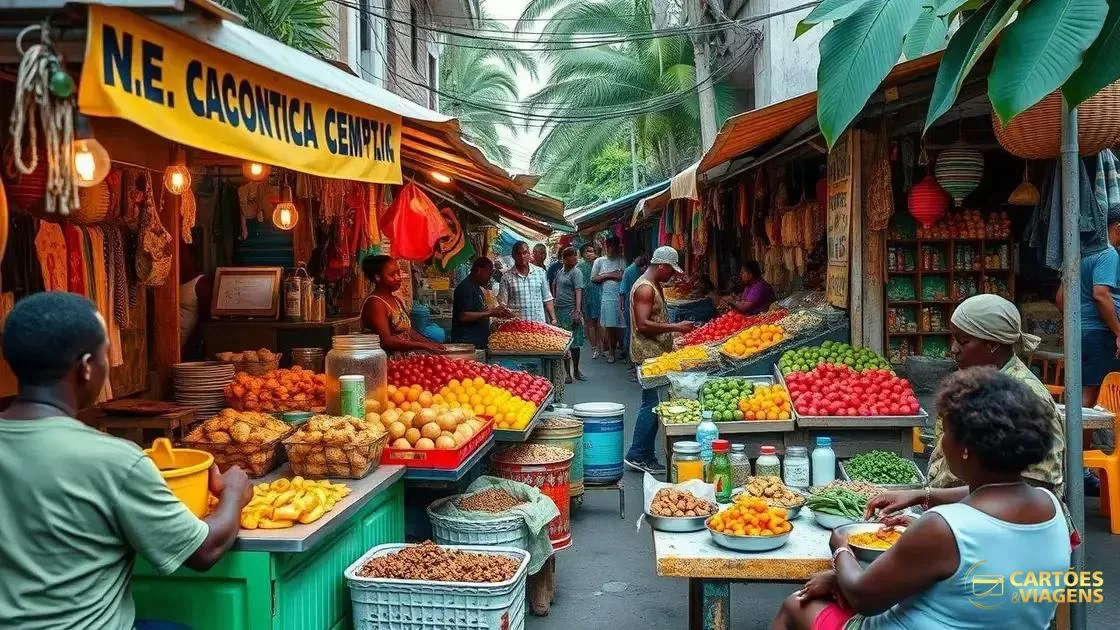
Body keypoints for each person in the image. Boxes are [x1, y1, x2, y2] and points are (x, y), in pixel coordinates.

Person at [0, 292, 252, 630]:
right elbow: (204, 550)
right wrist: (234, 492)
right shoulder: (112, 460)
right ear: (87, 368)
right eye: (107, 354)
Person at [773, 367, 1071, 630]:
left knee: (794, 606)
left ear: (965, 447)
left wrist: (841, 549)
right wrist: (924, 495)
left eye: (946, 431)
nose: (941, 441)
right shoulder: (1050, 505)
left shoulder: (942, 528)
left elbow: (864, 597)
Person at [923, 294, 1066, 496]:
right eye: (953, 339)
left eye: (963, 341)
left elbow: (1036, 484)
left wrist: (930, 498)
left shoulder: (1024, 397)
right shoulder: (977, 384)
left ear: (992, 345)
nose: (954, 349)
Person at [624, 246, 695, 475]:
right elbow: (643, 324)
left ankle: (644, 453)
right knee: (652, 405)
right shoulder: (645, 288)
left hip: (657, 353)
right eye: (671, 270)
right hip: (648, 355)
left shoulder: (654, 285)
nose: (672, 275)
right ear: (661, 266)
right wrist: (676, 327)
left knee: (655, 404)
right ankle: (637, 454)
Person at [1055, 204, 1120, 407]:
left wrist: (1074, 323)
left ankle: (1073, 439)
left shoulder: (1078, 252)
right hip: (1098, 335)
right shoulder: (1108, 254)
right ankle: (1076, 440)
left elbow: (1060, 297)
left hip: (1077, 334)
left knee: (1078, 393)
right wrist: (1119, 332)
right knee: (1089, 400)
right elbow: (1101, 295)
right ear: (1118, 227)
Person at [361, 255, 445, 354]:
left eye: (398, 272)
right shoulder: (375, 303)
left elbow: (409, 331)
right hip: (383, 362)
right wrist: (424, 346)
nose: (398, 277)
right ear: (377, 277)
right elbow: (386, 341)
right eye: (392, 274)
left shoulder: (396, 300)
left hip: (401, 361)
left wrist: (431, 345)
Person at [451, 257, 513, 349]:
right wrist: (490, 312)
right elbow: (464, 316)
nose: (490, 277)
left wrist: (496, 311)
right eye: (489, 274)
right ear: (479, 270)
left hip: (477, 342)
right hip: (467, 344)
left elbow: (479, 311)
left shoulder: (476, 287)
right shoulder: (465, 288)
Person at [498, 241, 556, 325]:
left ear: (529, 254)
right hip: (517, 327)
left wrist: (553, 319)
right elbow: (503, 304)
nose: (522, 257)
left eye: (525, 253)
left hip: (538, 325)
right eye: (518, 254)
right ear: (513, 256)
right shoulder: (506, 277)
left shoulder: (540, 273)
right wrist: (510, 315)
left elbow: (547, 298)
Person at [591, 236, 628, 363]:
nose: (611, 250)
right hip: (607, 298)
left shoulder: (622, 260)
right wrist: (610, 275)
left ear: (618, 248)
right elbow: (594, 278)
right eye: (609, 247)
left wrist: (605, 276)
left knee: (622, 326)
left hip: (622, 297)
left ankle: (622, 349)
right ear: (606, 248)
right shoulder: (599, 261)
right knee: (610, 326)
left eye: (614, 247)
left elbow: (623, 276)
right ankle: (611, 352)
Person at [554, 246, 587, 383]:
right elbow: (555, 286)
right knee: (564, 343)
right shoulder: (560, 272)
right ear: (565, 258)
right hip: (560, 310)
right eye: (571, 256)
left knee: (575, 343)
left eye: (575, 255)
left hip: (571, 309)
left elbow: (578, 291)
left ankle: (576, 370)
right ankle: (567, 373)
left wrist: (577, 310)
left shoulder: (576, 272)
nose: (575, 258)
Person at [619, 251, 648, 379]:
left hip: (632, 303)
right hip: (631, 304)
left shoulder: (634, 270)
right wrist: (622, 306)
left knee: (631, 332)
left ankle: (632, 361)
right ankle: (632, 362)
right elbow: (623, 290)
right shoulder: (631, 271)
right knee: (632, 332)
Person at [578, 243, 603, 359]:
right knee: (590, 323)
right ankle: (594, 347)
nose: (590, 253)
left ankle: (600, 345)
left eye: (592, 251)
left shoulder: (599, 263)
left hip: (599, 294)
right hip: (586, 296)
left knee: (599, 322)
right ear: (583, 254)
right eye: (588, 251)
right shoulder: (579, 267)